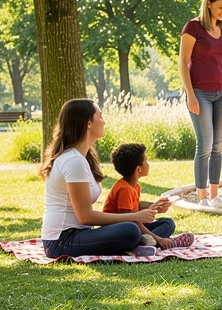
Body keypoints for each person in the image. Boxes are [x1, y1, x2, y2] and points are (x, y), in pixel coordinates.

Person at [40, 99, 170, 259]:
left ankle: (140, 243)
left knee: (164, 224)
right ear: (88, 123)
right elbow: (85, 217)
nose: (104, 121)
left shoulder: (84, 158)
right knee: (131, 230)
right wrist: (135, 217)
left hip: (82, 233)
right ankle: (137, 242)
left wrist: (149, 208)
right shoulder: (73, 161)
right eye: (100, 117)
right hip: (62, 241)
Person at [179, 0, 222, 209]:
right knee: (204, 145)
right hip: (200, 93)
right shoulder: (193, 27)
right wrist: (190, 94)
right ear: (209, 4)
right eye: (221, 7)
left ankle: (215, 195)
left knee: (218, 146)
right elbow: (183, 62)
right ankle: (202, 197)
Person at [103, 143, 194, 249]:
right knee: (135, 230)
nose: (148, 164)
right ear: (139, 169)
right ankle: (155, 242)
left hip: (134, 225)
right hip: (120, 230)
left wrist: (154, 206)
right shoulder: (125, 189)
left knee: (168, 223)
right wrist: (158, 238)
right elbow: (128, 219)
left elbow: (135, 205)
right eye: (145, 161)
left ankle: (147, 242)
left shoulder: (134, 185)